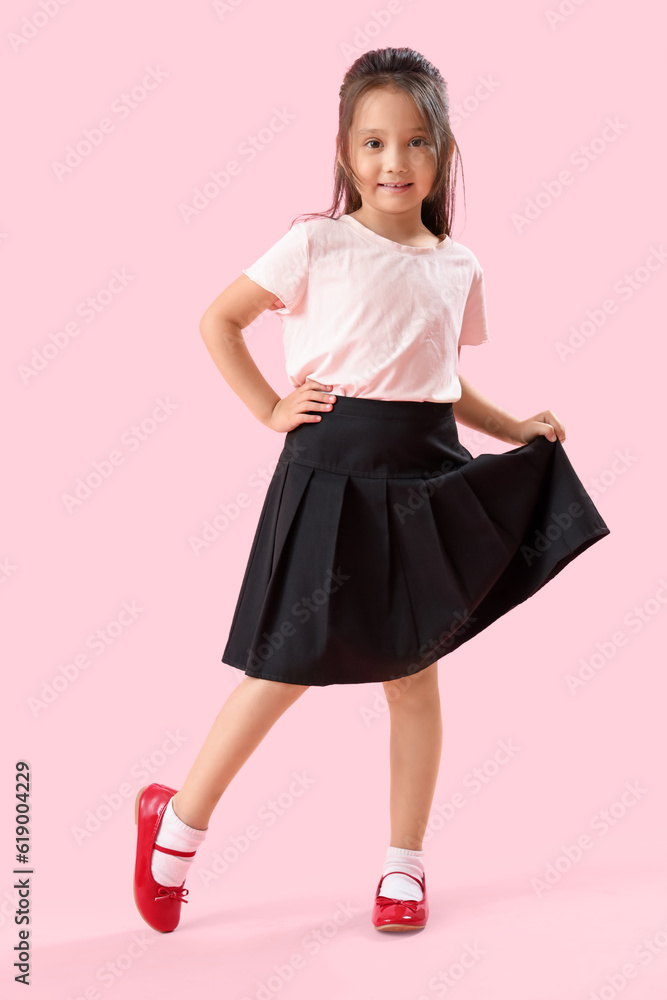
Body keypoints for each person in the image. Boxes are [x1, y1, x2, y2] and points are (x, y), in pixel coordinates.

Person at [133, 46, 610, 935]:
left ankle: (402, 868)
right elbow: (219, 320)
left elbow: (438, 381)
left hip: (422, 476)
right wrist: (269, 406)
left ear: (444, 153)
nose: (395, 162)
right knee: (280, 670)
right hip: (331, 475)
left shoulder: (455, 264)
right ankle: (175, 827)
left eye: (417, 143)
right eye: (374, 143)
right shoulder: (315, 243)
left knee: (412, 677)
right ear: (347, 152)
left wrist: (513, 430)